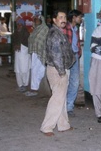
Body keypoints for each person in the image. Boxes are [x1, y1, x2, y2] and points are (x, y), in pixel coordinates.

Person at [40, 9, 75, 137]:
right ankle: (47, 127)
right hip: (57, 69)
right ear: (54, 20)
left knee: (60, 98)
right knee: (57, 99)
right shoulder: (55, 34)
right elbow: (56, 55)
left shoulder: (57, 32)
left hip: (58, 68)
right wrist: (62, 72)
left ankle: (63, 125)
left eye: (65, 17)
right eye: (60, 17)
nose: (64, 20)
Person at [64, 9, 83, 117]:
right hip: (67, 56)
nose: (81, 19)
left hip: (75, 56)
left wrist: (78, 52)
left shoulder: (75, 28)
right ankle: (63, 107)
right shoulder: (65, 28)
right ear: (74, 17)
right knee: (65, 82)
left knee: (74, 82)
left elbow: (76, 43)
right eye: (79, 17)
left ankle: (69, 107)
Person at [25, 15, 49, 97]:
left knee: (39, 70)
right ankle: (34, 88)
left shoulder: (45, 29)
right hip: (35, 52)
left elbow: (42, 41)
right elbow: (32, 40)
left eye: (37, 20)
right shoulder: (35, 29)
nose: (36, 21)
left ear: (41, 20)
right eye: (35, 20)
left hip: (42, 52)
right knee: (34, 69)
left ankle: (35, 88)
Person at [12, 18, 30, 92]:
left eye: (20, 25)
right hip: (17, 53)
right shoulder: (15, 33)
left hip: (24, 53)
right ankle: (20, 84)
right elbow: (13, 42)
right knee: (18, 69)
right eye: (18, 25)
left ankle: (25, 84)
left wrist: (21, 45)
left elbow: (28, 44)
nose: (19, 26)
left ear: (23, 25)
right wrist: (15, 46)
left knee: (24, 69)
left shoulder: (26, 33)